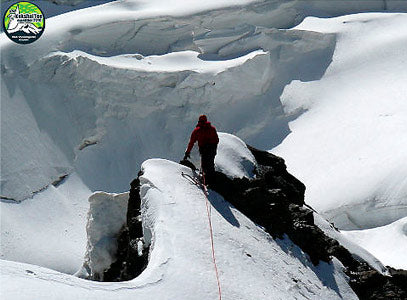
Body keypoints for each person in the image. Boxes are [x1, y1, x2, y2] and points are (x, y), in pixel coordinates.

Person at [184, 115, 219, 182]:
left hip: (204, 150)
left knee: (205, 165)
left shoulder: (197, 130)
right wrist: (212, 146)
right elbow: (216, 140)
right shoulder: (212, 129)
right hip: (212, 149)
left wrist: (187, 152)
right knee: (210, 164)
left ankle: (205, 180)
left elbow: (191, 142)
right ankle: (211, 180)